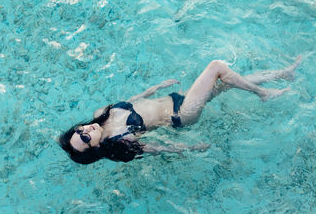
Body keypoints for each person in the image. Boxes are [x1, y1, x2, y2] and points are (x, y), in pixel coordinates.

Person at [59, 57, 301, 164]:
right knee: (216, 67)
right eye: (85, 137)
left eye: (79, 130)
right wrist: (191, 149)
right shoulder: (120, 141)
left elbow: (130, 101)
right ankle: (264, 94)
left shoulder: (99, 114)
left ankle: (282, 74)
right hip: (182, 114)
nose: (85, 129)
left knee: (227, 82)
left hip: (173, 98)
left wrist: (154, 88)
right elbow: (157, 149)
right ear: (95, 148)